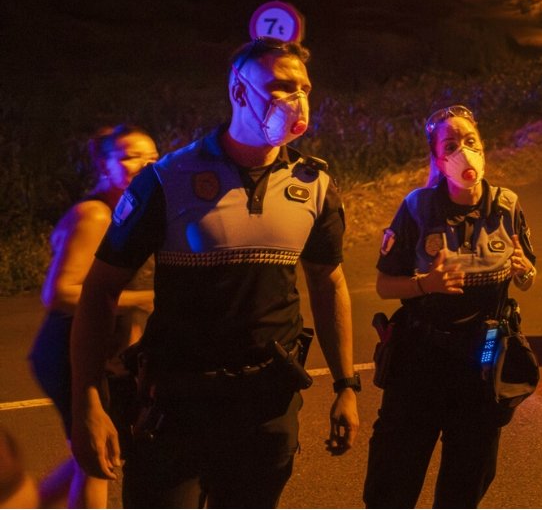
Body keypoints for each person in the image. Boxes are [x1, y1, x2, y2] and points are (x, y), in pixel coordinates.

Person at [70, 37, 358, 508]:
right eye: (282, 86)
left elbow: (329, 282)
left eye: (304, 87)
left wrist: (347, 385)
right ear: (239, 92)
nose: (298, 99)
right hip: (178, 404)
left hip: (267, 405)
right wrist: (88, 401)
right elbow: (100, 288)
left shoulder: (316, 186)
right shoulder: (168, 179)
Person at [363, 104, 536, 509]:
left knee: (466, 482)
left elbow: (527, 278)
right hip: (420, 360)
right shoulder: (418, 207)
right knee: (393, 480)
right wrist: (426, 284)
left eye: (470, 141)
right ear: (439, 159)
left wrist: (525, 271)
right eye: (451, 145)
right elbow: (385, 285)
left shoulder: (507, 206)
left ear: (484, 147)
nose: (464, 152)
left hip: (485, 358)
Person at [28, 126, 158, 509]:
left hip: (92, 351)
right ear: (104, 164)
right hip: (69, 351)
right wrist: (146, 298)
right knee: (98, 457)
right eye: (130, 156)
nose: (144, 164)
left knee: (96, 451)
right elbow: (59, 292)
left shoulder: (125, 209)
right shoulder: (95, 214)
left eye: (151, 157)